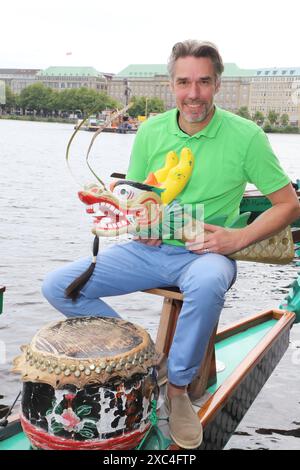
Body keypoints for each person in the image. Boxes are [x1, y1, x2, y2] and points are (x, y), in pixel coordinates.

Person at [42, 40, 300, 449]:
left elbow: (288, 205)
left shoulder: (246, 136)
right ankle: (142, 358)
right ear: (171, 84)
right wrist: (136, 221)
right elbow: (137, 193)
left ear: (217, 84)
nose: (192, 94)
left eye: (203, 82)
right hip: (148, 250)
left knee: (209, 282)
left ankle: (177, 390)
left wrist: (238, 237)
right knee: (57, 286)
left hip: (206, 255)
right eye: (184, 82)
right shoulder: (150, 130)